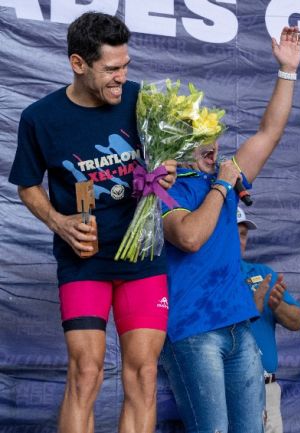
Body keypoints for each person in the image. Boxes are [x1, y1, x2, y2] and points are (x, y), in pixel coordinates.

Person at [8, 12, 176, 433]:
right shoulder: (40, 118)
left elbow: (168, 159)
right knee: (86, 372)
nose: (122, 77)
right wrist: (58, 222)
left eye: (126, 66)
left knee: (145, 374)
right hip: (84, 261)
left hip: (142, 258)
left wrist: (166, 168)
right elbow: (28, 186)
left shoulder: (144, 103)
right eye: (111, 69)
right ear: (78, 64)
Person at [159, 26, 300, 432]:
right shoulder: (163, 189)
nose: (215, 144)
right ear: (175, 141)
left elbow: (268, 133)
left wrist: (287, 71)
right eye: (201, 137)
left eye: (215, 135)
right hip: (192, 332)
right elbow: (189, 236)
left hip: (241, 328)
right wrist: (223, 185)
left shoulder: (225, 179)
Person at [237, 207, 300, 433]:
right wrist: (250, 309)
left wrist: (278, 305)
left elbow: (297, 321)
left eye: (243, 235)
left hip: (267, 388)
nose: (239, 241)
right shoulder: (207, 278)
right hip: (230, 387)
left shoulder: (262, 273)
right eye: (233, 233)